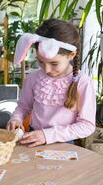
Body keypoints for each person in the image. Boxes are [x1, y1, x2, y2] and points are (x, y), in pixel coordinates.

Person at [6, 19, 96, 147]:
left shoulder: (83, 82)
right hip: (32, 139)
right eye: (41, 62)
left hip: (64, 143)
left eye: (54, 63)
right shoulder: (33, 78)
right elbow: (23, 107)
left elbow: (87, 125)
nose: (47, 69)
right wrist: (16, 118)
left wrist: (47, 135)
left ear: (71, 55)